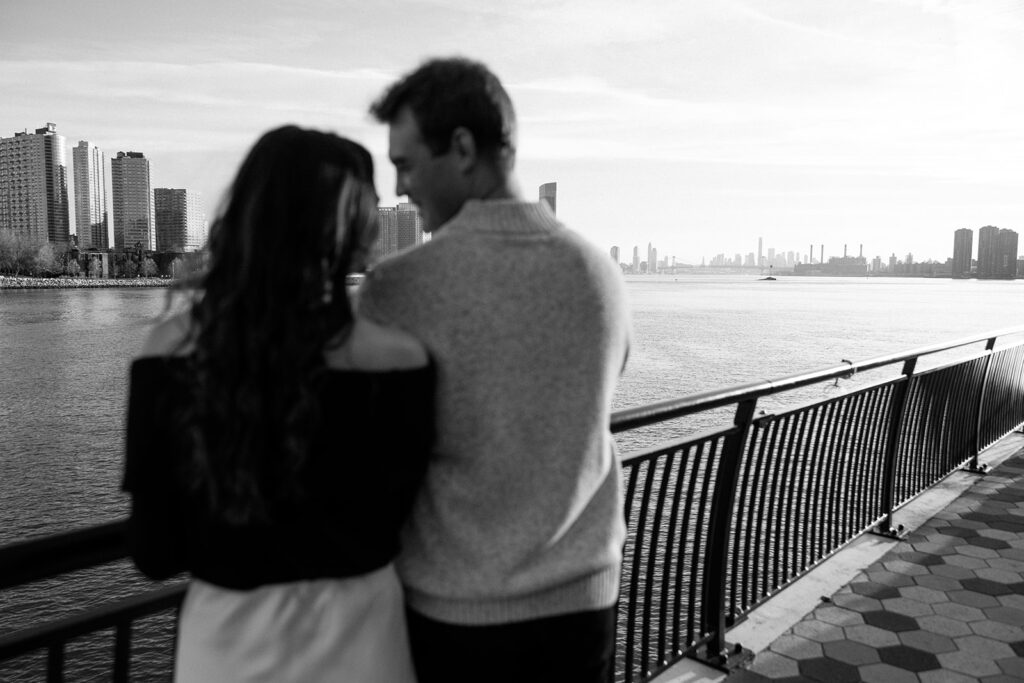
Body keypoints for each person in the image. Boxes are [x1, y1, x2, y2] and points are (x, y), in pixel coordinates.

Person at [122, 126, 433, 682]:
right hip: (364, 641)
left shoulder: (170, 351)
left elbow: (155, 552)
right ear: (354, 233)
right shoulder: (400, 360)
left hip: (228, 646)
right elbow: (410, 522)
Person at [361, 57, 631, 683]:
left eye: (404, 163)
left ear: (461, 148)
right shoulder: (601, 275)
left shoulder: (399, 286)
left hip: (456, 618)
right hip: (585, 607)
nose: (400, 187)